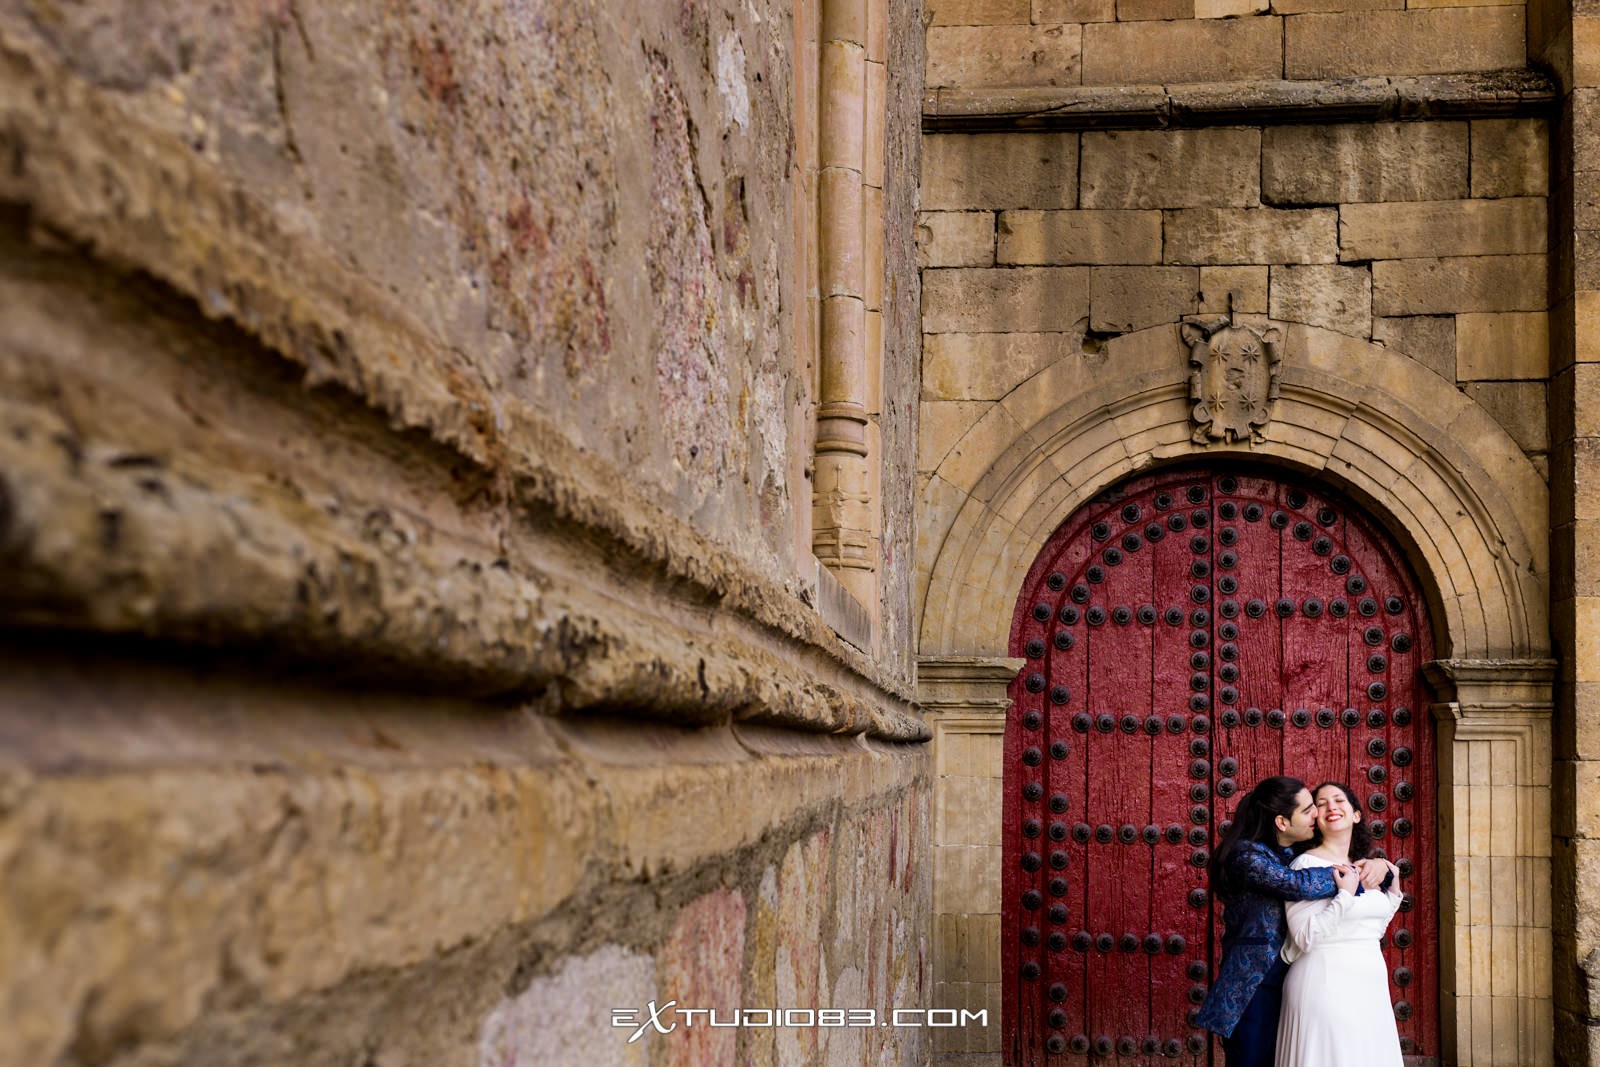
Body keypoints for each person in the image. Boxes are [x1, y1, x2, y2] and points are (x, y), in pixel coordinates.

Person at [1195, 775, 1385, 1067]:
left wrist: (1380, 864)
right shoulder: (1246, 857)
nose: (1317, 814)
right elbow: (1296, 884)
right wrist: (1355, 874)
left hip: (1297, 979)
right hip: (1256, 983)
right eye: (1309, 809)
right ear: (1282, 823)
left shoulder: (1293, 852)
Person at [1275, 782, 1405, 1067]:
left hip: (1369, 987)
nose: (1331, 806)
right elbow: (1304, 937)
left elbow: (1369, 930)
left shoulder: (1366, 866)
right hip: (1325, 985)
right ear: (1316, 819)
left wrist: (1393, 889)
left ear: (1356, 814)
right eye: (1321, 803)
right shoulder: (1304, 865)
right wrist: (1345, 894)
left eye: (1339, 800)